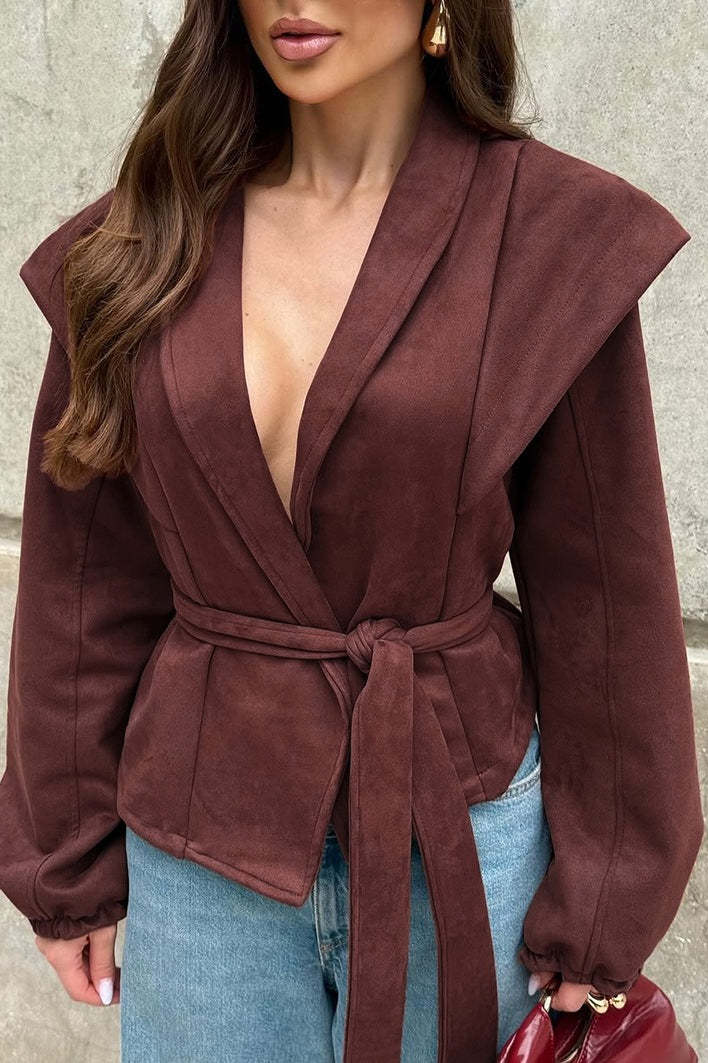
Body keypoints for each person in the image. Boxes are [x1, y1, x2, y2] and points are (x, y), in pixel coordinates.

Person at [0, 2, 703, 1061]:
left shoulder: (548, 238)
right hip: (201, 842)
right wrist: (65, 861)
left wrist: (608, 894)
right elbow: (84, 577)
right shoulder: (143, 238)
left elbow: (605, 588)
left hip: (461, 828)